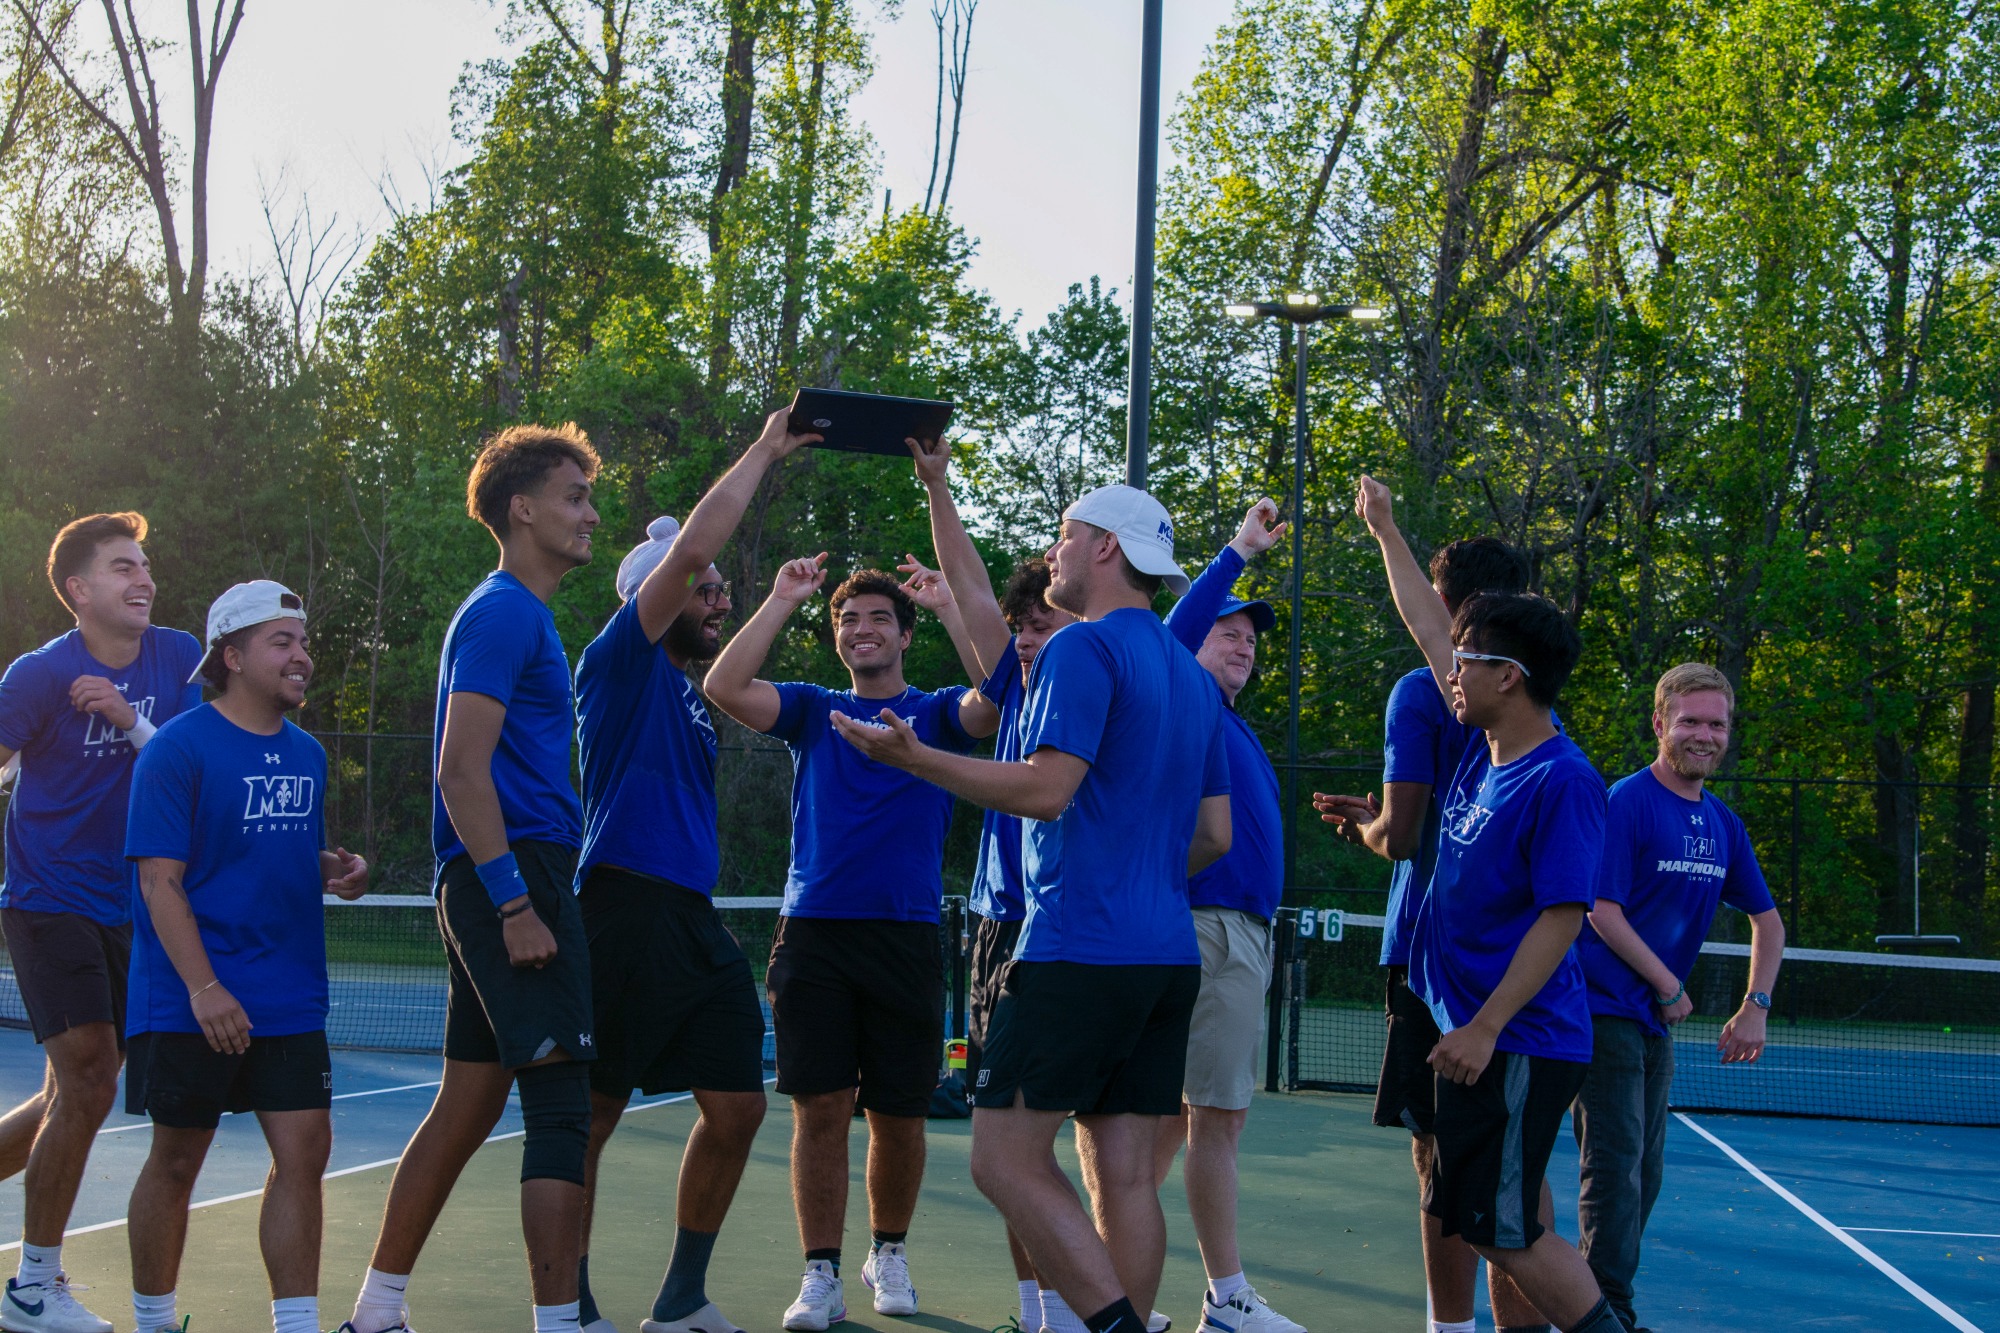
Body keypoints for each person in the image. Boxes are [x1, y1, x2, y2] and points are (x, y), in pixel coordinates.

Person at [828, 485, 1232, 1333]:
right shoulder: (1192, 679)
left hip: (1078, 949)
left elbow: (1048, 789)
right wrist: (1138, 868)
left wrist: (917, 758)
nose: (1054, 553)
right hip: (1166, 959)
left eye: (1064, 536)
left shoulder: (1081, 652)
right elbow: (1212, 836)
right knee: (1123, 1175)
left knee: (1003, 1158)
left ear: (1107, 550)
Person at [1349, 476, 1623, 1333]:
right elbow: (1430, 625)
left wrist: (1486, 1025)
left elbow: (1562, 916)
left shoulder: (1562, 779)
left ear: (1509, 676)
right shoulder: (1485, 747)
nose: (1448, 671)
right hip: (1471, 1030)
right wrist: (1386, 531)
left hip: (1516, 1042)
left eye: (1465, 664)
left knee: (1509, 1229)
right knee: (1488, 1218)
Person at [347, 424, 602, 1333]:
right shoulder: (502, 613)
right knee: (562, 1106)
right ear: (522, 507)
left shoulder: (520, 615)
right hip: (511, 873)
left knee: (467, 1102)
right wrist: (517, 901)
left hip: (505, 873)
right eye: (574, 496)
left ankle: (375, 1311)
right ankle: (559, 1324)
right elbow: (463, 770)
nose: (590, 514)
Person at [569, 409, 819, 1333]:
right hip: (621, 909)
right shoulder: (618, 666)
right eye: (705, 589)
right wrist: (762, 448)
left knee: (739, 1105)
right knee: (592, 1115)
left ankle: (678, 1300)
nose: (719, 600)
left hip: (688, 917)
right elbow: (690, 551)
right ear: (656, 597)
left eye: (722, 590)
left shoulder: (690, 692)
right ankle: (572, 1302)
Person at [704, 550, 998, 1331]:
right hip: (814, 938)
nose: (861, 629)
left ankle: (888, 1251)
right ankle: (821, 1274)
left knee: (899, 1115)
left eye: (877, 617)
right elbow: (723, 686)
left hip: (904, 939)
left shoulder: (936, 715)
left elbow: (1003, 701)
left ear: (903, 634)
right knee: (821, 1109)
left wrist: (949, 608)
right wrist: (780, 595)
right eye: (846, 620)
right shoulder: (811, 708)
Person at [1313, 535, 1550, 1333]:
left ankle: (1453, 1327)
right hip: (1504, 958)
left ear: (1453, 613)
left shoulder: (1423, 692)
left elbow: (1404, 836)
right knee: (1516, 1159)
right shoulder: (1537, 710)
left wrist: (1373, 828)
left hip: (1432, 954)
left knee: (1444, 1157)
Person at [122, 581, 370, 1333]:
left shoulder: (309, 753)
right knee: (175, 1161)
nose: (302, 656)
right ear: (230, 656)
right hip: (190, 996)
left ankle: (295, 1324)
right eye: (282, 642)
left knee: (305, 1155)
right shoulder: (175, 749)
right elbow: (161, 880)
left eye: (303, 642)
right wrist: (204, 987)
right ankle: (154, 1322)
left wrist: (332, 867)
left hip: (289, 994)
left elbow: (265, 848)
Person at [0, 512, 203, 1333]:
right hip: (48, 899)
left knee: (67, 1093)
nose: (143, 578)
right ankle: (31, 1287)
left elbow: (194, 765)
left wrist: (129, 719)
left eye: (145, 564)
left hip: (136, 906)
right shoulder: (37, 676)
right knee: (89, 1079)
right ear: (79, 590)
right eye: (123, 567)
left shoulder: (180, 655)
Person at [906, 437, 1079, 1333]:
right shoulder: (1011, 689)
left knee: (1062, 1140)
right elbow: (970, 588)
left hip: (1063, 935)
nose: (1023, 635)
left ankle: (1090, 1302)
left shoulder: (1097, 690)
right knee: (1005, 1133)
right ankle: (1038, 1306)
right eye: (1020, 625)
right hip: (994, 931)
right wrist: (938, 486)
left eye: (1041, 623)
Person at [1572, 663, 1784, 1333]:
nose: (1704, 734)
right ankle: (1607, 1316)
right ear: (1660, 724)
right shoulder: (1626, 800)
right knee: (1614, 1169)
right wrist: (1667, 983)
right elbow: (1601, 910)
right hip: (1600, 1010)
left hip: (1653, 1025)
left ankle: (1603, 1304)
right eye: (1690, 720)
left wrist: (1757, 1004)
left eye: (1716, 723)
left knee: (1646, 1170)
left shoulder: (1722, 822)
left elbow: (1769, 923)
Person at [1151, 498, 1306, 1333]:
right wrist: (1236, 555)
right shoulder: (1183, 694)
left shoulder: (1232, 727)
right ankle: (1224, 1295)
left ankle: (1139, 1288)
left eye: (1252, 635)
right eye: (1229, 629)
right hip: (1206, 927)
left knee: (1194, 1120)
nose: (1242, 641)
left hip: (1236, 932)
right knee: (1204, 1118)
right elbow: (1169, 639)